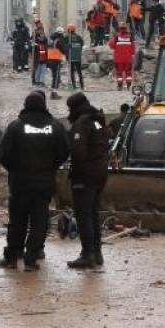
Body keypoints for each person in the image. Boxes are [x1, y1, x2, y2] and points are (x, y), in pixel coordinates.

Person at [0, 91, 69, 271]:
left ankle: (12, 258)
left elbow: (3, 154)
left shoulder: (15, 127)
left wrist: (14, 169)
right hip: (44, 183)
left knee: (17, 222)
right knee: (39, 222)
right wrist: (51, 167)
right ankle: (31, 259)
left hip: (20, 183)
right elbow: (64, 152)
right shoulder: (55, 127)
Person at [65, 92, 109, 269]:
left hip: (85, 176)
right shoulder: (98, 120)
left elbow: (78, 151)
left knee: (84, 215)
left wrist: (77, 172)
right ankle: (97, 253)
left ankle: (87, 254)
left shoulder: (82, 123)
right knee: (93, 214)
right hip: (101, 174)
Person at [110, 23, 137, 91]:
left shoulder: (116, 37)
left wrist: (112, 38)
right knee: (128, 73)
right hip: (128, 59)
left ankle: (119, 86)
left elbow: (111, 45)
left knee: (119, 73)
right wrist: (132, 54)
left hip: (118, 59)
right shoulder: (130, 37)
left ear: (120, 28)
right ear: (126, 29)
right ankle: (128, 86)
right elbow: (133, 48)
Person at [67, 23, 87, 90]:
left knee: (72, 72)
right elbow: (82, 44)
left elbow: (64, 46)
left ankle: (74, 86)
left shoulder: (67, 37)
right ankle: (82, 86)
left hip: (71, 57)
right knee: (79, 72)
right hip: (78, 57)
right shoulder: (78, 37)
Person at [47, 27, 67, 91]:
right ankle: (54, 90)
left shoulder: (51, 39)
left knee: (54, 75)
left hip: (50, 58)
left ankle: (55, 87)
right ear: (60, 33)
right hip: (56, 58)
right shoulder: (59, 40)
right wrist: (68, 48)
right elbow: (63, 50)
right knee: (56, 75)